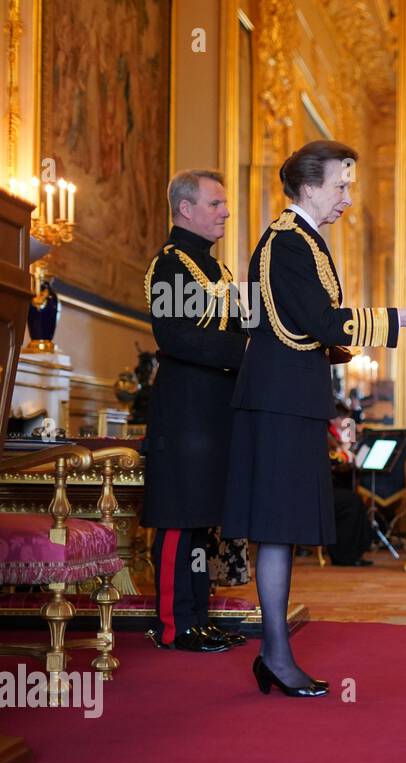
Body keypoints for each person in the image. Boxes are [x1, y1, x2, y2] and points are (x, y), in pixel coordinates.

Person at [222, 139, 406, 696]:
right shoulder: (289, 242)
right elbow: (320, 323)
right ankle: (275, 654)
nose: (348, 197)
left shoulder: (304, 240)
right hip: (278, 403)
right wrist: (401, 319)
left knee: (283, 530)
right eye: (340, 186)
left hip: (291, 399)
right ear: (308, 187)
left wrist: (351, 338)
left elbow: (305, 327)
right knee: (276, 529)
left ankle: (275, 653)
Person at [141, 169, 248, 653]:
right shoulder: (171, 265)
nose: (226, 211)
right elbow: (177, 337)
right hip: (184, 411)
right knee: (179, 518)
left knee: (203, 521)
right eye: (216, 203)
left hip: (216, 412)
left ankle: (199, 616)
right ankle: (174, 624)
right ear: (186, 209)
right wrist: (245, 353)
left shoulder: (219, 271)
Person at [327, 405, 372, 567]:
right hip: (321, 489)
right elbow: (332, 461)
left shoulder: (340, 433)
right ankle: (344, 555)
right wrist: (346, 457)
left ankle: (354, 552)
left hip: (335, 484)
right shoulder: (326, 434)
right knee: (352, 502)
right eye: (343, 418)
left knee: (355, 500)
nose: (346, 422)